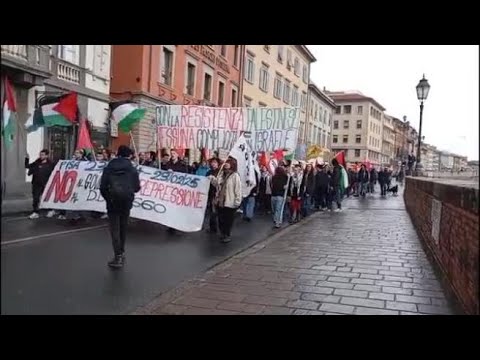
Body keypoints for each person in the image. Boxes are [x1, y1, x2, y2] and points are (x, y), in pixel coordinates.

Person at [100, 145, 141, 269]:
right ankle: (121, 252)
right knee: (123, 227)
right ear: (129, 155)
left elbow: (102, 187)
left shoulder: (109, 167)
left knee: (114, 229)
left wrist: (108, 198)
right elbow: (137, 187)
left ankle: (117, 255)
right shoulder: (132, 169)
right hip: (126, 201)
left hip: (112, 201)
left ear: (118, 153)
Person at [211, 158, 242, 243]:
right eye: (225, 162)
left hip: (229, 202)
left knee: (228, 220)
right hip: (220, 201)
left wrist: (237, 201)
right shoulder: (221, 174)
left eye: (228, 163)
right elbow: (217, 184)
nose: (226, 164)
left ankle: (227, 234)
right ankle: (222, 233)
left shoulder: (235, 175)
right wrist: (212, 179)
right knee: (221, 219)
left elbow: (238, 189)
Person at [25, 149, 55, 219]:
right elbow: (27, 166)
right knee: (36, 198)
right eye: (40, 154)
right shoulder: (36, 162)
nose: (41, 156)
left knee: (47, 198)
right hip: (36, 184)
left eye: (43, 155)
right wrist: (26, 158)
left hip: (46, 184)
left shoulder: (51, 164)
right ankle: (35, 212)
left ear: (47, 155)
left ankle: (50, 210)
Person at [205, 158, 221, 233]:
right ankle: (212, 227)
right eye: (212, 162)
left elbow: (221, 183)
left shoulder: (220, 172)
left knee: (215, 211)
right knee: (212, 210)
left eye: (215, 162)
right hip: (210, 193)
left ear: (218, 164)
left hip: (217, 194)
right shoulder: (209, 172)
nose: (213, 164)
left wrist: (215, 180)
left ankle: (214, 228)